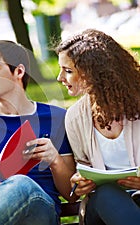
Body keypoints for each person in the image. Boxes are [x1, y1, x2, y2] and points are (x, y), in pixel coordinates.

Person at [0, 40, 77, 225]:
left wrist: (55, 160)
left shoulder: (56, 118)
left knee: (21, 183)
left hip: (41, 213)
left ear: (19, 71)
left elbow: (71, 195)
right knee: (17, 183)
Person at [56, 28, 140, 225]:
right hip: (101, 209)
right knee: (106, 193)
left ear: (93, 73)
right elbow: (83, 169)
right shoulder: (75, 117)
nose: (60, 78)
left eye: (68, 71)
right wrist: (80, 184)